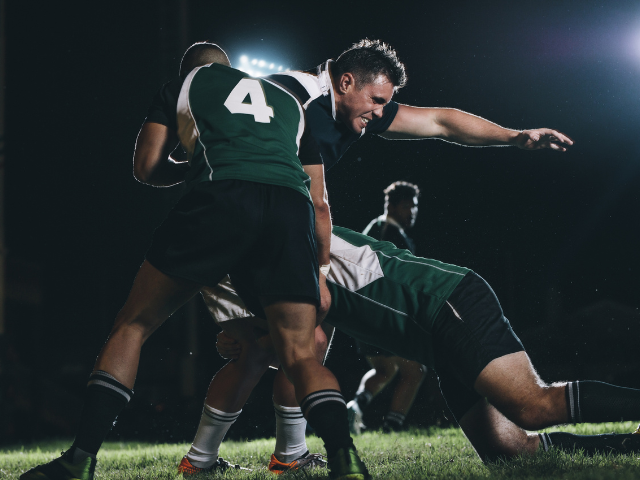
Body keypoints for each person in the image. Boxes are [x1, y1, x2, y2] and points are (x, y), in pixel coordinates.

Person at [182, 38, 574, 474]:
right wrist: (320, 272)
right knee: (260, 348)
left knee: (307, 340)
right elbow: (316, 204)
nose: (380, 111)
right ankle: (203, 459)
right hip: (244, 228)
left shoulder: (341, 102)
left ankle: (283, 454)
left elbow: (441, 121)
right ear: (345, 81)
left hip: (270, 229)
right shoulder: (301, 101)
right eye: (375, 101)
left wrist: (515, 137)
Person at [20, 42, 370, 480]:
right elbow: (317, 199)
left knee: (133, 325)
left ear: (189, 70)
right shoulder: (287, 99)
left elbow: (146, 167)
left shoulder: (183, 86)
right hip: (288, 206)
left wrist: (193, 168)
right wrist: (318, 269)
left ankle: (80, 459)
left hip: (222, 195)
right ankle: (345, 460)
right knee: (301, 352)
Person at [216, 225, 640, 464]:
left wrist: (257, 339)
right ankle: (629, 444)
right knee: (510, 452)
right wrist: (249, 338)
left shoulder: (289, 237)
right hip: (433, 340)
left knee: (533, 405)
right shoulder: (257, 264)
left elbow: (310, 325)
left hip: (446, 302)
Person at [347, 181, 427, 434]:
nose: (411, 212)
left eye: (414, 207)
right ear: (390, 206)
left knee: (384, 370)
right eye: (406, 206)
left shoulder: (374, 229)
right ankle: (393, 427)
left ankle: (355, 408)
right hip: (384, 316)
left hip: (365, 316)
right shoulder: (388, 234)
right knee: (415, 371)